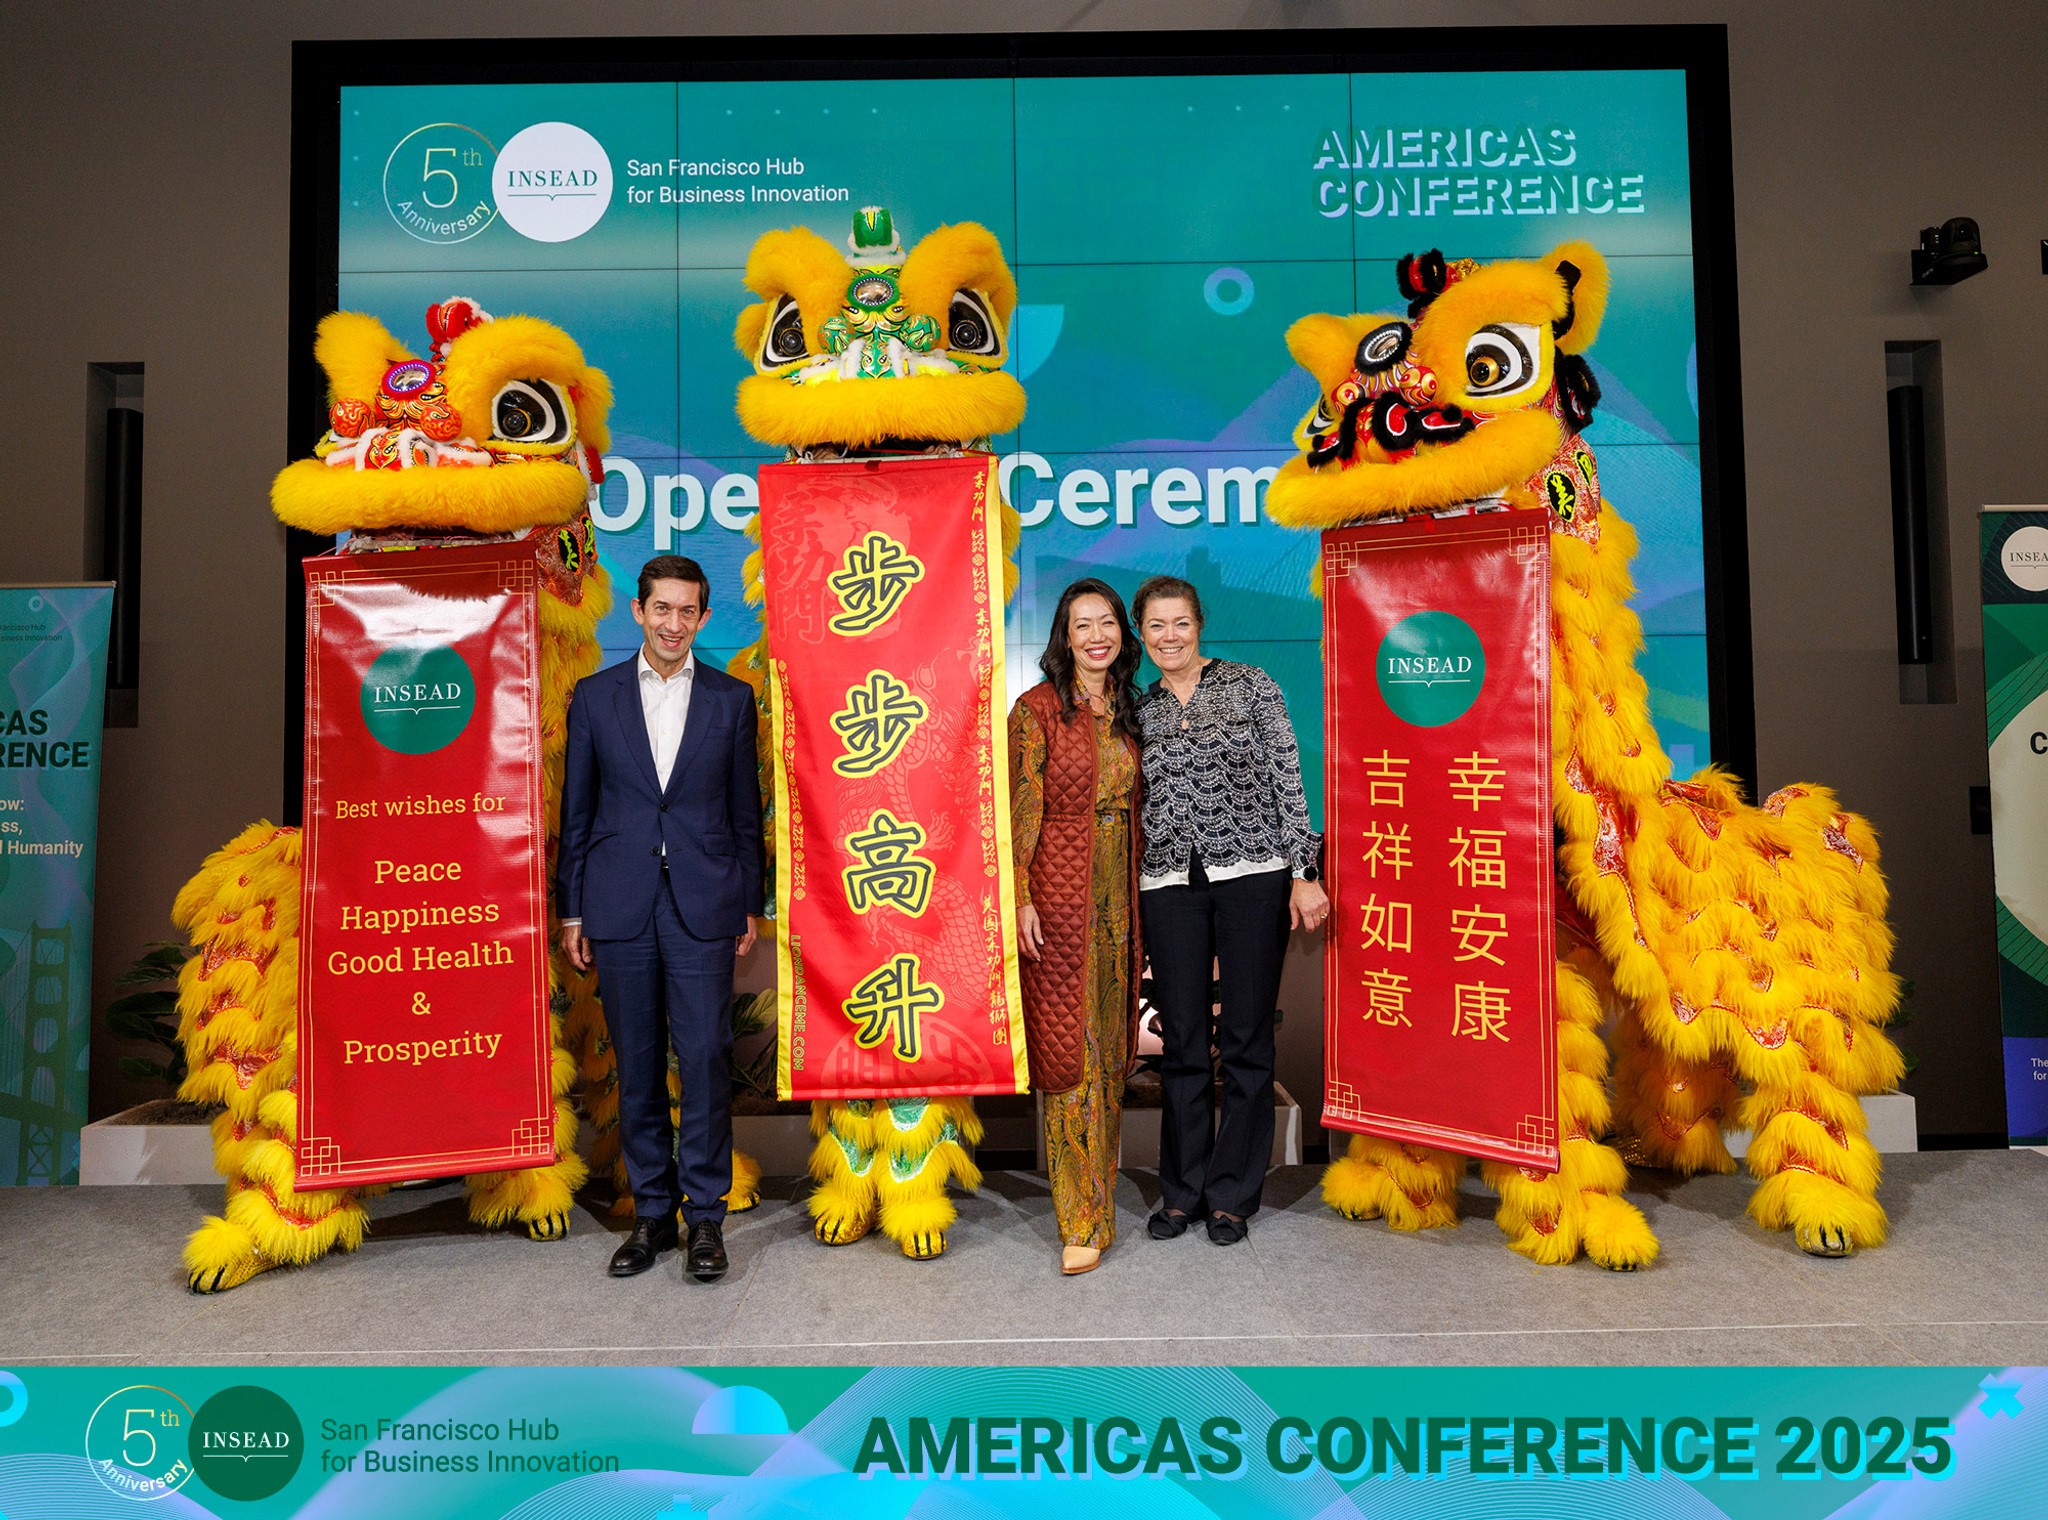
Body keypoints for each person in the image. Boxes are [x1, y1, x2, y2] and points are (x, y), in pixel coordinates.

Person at [558, 554, 766, 1283]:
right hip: (618, 903)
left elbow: (746, 815)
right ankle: (652, 1214)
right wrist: (573, 908)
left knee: (707, 1057)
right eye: (662, 609)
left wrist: (748, 900)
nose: (674, 623)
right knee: (638, 1064)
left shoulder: (732, 701)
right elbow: (576, 813)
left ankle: (704, 1217)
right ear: (639, 613)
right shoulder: (594, 698)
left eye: (688, 611)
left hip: (705, 904)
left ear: (703, 618)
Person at [1132, 575, 1327, 1246]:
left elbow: (1286, 773)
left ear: (1199, 623)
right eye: (1155, 626)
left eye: (1179, 623)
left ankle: (1232, 1197)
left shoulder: (1250, 684)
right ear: (1142, 634)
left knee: (1245, 1040)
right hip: (1167, 884)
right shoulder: (1141, 708)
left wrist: (1304, 872)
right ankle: (1181, 1194)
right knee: (1183, 1045)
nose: (1169, 637)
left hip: (1254, 876)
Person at [1010, 577, 1145, 1276]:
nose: (1096, 636)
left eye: (1107, 624)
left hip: (1124, 892)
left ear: (1122, 634)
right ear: (1063, 637)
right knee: (1071, 1059)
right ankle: (1082, 1219)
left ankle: (1104, 1198)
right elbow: (1021, 809)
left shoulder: (1131, 711)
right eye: (1081, 625)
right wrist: (1023, 896)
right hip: (1059, 894)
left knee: (1112, 1052)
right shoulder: (1035, 711)